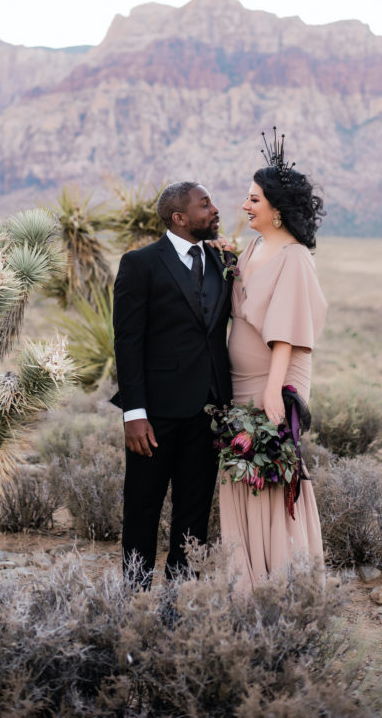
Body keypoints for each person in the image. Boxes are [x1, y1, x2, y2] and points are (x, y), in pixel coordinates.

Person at [218, 132, 327, 590]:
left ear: (276, 208)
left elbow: (286, 330)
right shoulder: (254, 248)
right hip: (240, 380)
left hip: (272, 379)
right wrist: (225, 257)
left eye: (253, 199)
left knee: (272, 472)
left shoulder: (295, 258)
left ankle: (283, 578)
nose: (246, 206)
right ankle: (247, 575)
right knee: (240, 474)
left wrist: (272, 390)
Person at [112, 181, 234, 588]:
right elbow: (127, 342)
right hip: (156, 414)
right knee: (143, 507)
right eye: (205, 205)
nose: (214, 209)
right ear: (179, 218)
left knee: (194, 511)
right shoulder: (141, 263)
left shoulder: (223, 261)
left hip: (209, 409)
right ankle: (134, 596)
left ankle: (178, 600)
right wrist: (134, 412)